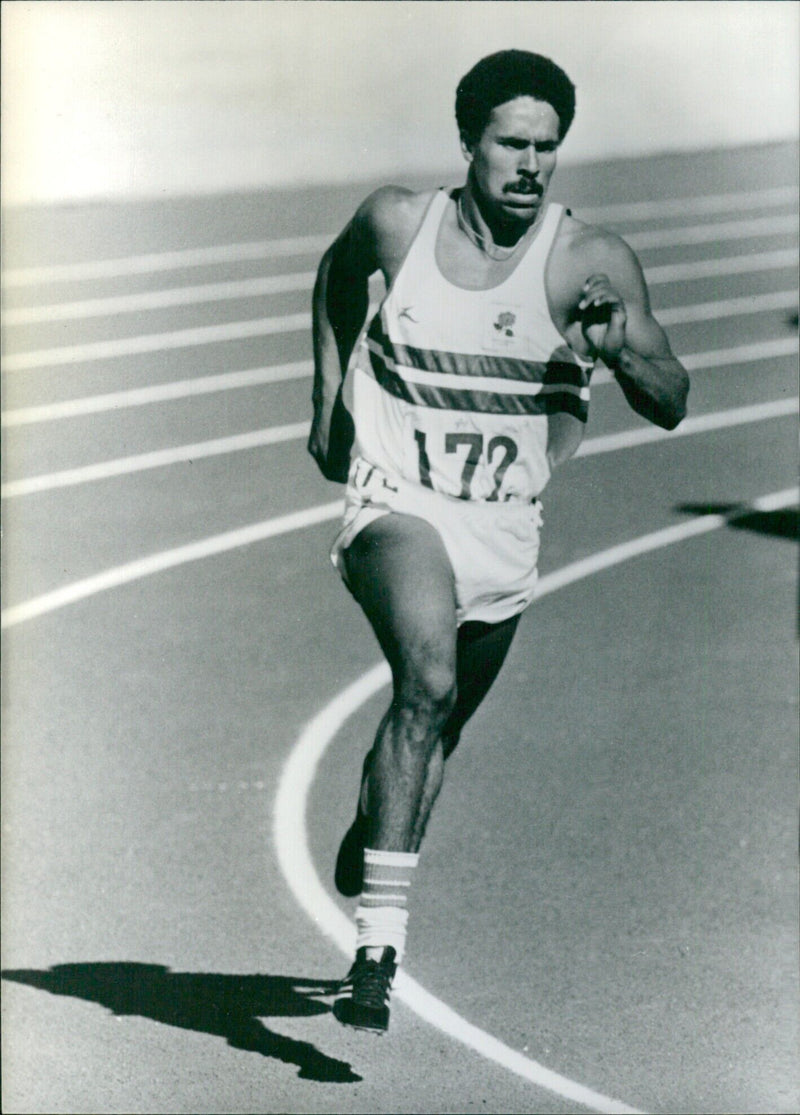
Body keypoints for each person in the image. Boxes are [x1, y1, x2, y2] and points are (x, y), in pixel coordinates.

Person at [308, 49, 689, 1034]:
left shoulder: (586, 260)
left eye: (545, 148)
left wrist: (619, 352)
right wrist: (323, 397)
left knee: (436, 726)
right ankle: (376, 948)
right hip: (394, 500)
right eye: (510, 144)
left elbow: (671, 400)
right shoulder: (399, 219)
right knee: (424, 682)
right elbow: (336, 274)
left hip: (502, 534)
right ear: (468, 142)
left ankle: (370, 837)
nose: (528, 164)